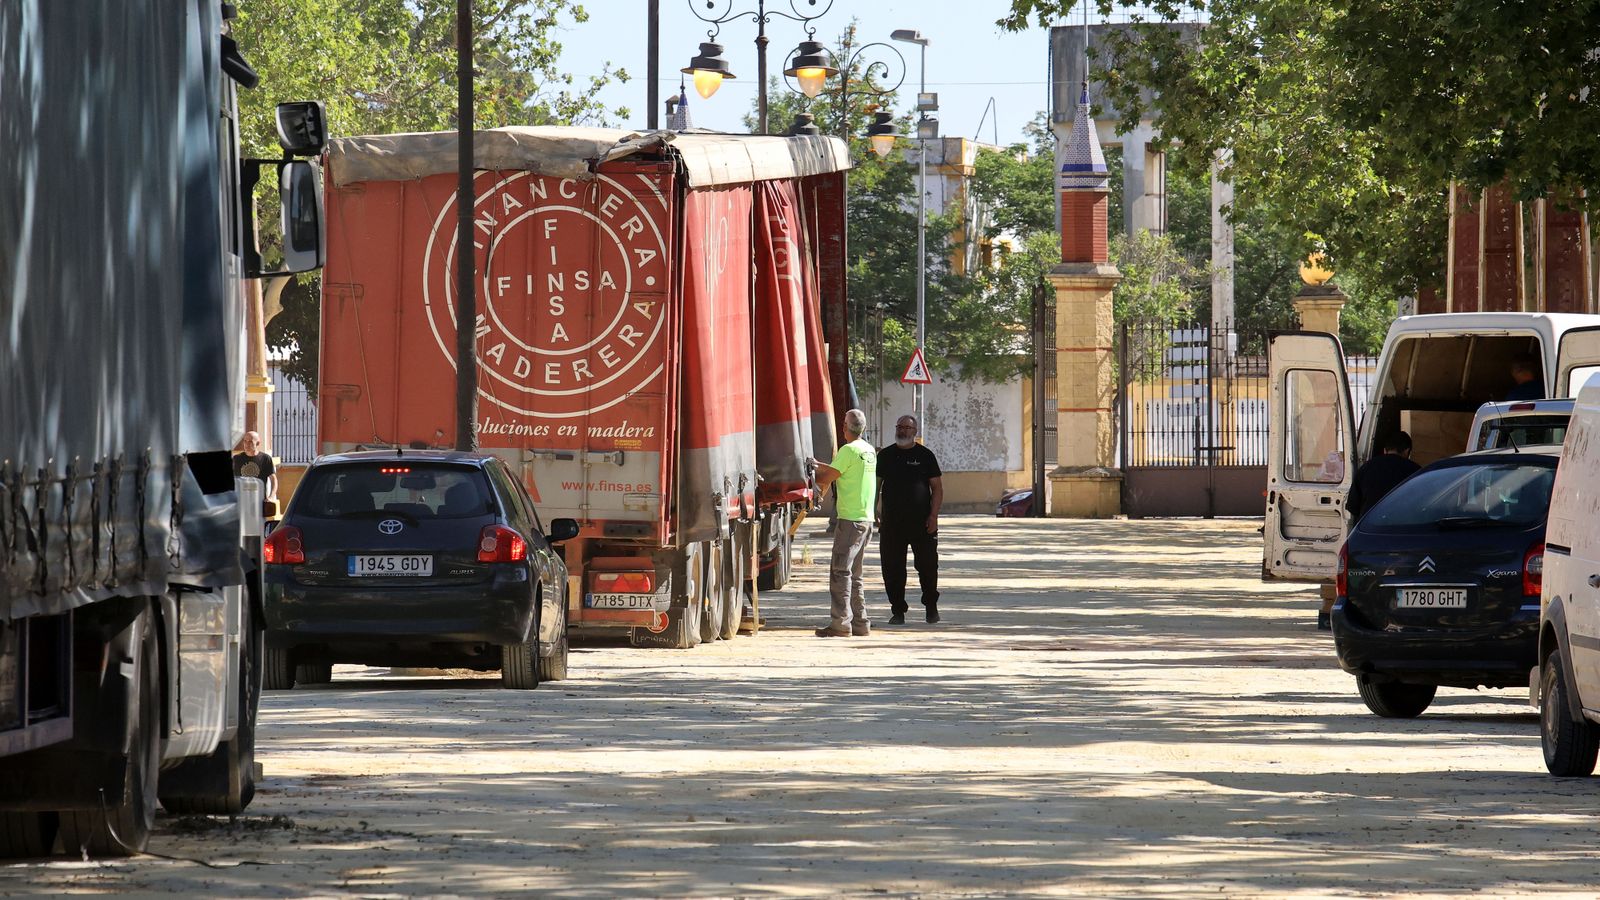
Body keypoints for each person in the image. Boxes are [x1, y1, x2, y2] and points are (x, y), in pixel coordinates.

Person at [810, 409, 877, 637]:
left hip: (850, 521)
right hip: (866, 519)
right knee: (854, 574)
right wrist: (820, 464)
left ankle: (840, 623)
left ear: (844, 428)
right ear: (864, 428)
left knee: (840, 572)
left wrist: (812, 468)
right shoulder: (868, 450)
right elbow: (842, 471)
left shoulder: (848, 451)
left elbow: (827, 477)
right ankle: (860, 622)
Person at [876, 415, 944, 624]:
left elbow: (937, 488)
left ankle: (931, 607)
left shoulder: (925, 455)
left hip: (922, 523)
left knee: (928, 566)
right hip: (892, 524)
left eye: (907, 427)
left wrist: (933, 516)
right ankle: (898, 610)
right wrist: (874, 512)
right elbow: (875, 486)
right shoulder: (886, 455)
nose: (903, 431)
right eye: (900, 427)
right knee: (892, 568)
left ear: (915, 431)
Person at [1347, 431, 1419, 523]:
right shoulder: (1415, 471)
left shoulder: (1366, 468)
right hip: (1402, 529)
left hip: (1369, 530)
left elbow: (1353, 507)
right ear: (1407, 451)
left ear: (1385, 450)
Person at [232, 430, 278, 502]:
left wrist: (271, 497)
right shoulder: (236, 459)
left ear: (258, 443)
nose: (246, 444)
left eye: (250, 441)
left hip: (259, 502)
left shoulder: (265, 459)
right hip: (241, 502)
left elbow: (273, 479)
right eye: (245, 441)